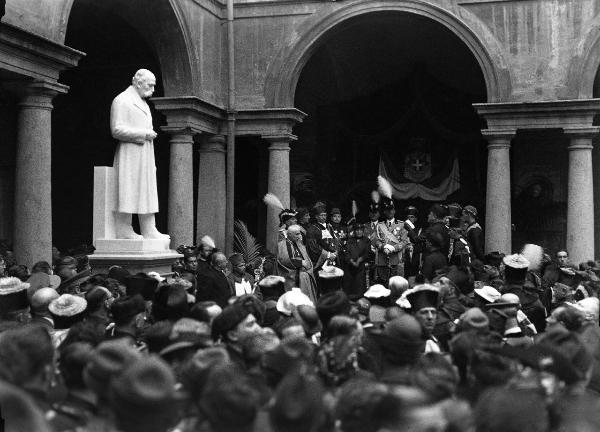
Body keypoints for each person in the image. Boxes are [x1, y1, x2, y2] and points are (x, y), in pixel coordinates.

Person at [110, 68, 168, 240]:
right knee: (128, 190)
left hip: (145, 154)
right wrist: (143, 134)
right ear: (139, 82)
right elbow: (116, 129)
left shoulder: (143, 103)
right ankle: (124, 228)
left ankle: (149, 228)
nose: (153, 89)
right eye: (150, 85)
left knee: (147, 191)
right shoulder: (121, 100)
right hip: (130, 153)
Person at [277, 225, 318, 303]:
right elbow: (284, 260)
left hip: (303, 276)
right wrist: (301, 262)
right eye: (297, 234)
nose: (299, 236)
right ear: (289, 235)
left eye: (299, 233)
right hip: (293, 278)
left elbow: (306, 258)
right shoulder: (283, 244)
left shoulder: (298, 243)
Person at [372, 197, 409, 282]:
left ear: (394, 211)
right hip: (382, 259)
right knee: (383, 284)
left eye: (391, 209)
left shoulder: (401, 225)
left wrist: (393, 248)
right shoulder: (379, 225)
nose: (389, 212)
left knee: (396, 284)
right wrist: (383, 247)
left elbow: (404, 241)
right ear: (384, 212)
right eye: (387, 210)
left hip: (396, 259)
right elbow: (376, 240)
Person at [306, 203, 338, 271]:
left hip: (332, 259)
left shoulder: (329, 227)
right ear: (316, 216)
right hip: (320, 261)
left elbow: (334, 240)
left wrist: (335, 251)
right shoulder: (312, 229)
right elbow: (313, 246)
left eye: (325, 215)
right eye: (321, 215)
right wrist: (328, 255)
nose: (324, 217)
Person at [343, 223, 371, 299]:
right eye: (357, 230)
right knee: (348, 287)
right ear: (354, 231)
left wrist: (359, 261)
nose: (359, 232)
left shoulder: (367, 240)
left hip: (361, 267)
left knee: (359, 286)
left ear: (363, 231)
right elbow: (347, 253)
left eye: (360, 230)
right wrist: (352, 261)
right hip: (350, 267)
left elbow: (367, 253)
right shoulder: (349, 240)